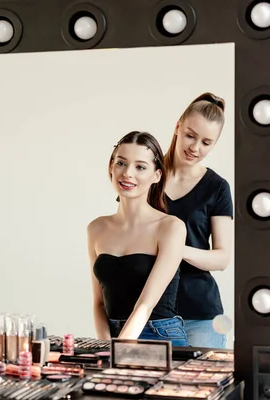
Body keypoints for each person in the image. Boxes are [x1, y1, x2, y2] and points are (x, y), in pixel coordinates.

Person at [88, 131, 189, 346]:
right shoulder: (96, 228)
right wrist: (105, 346)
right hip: (112, 338)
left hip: (159, 336)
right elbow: (98, 303)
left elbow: (145, 305)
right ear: (111, 167)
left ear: (157, 175)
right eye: (121, 163)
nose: (127, 174)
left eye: (140, 167)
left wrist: (117, 351)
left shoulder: (171, 227)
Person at [163, 92, 233, 348]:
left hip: (200, 317)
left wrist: (175, 249)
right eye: (190, 135)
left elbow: (222, 258)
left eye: (206, 142)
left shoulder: (217, 187)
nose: (195, 148)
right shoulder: (147, 174)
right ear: (177, 127)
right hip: (149, 313)